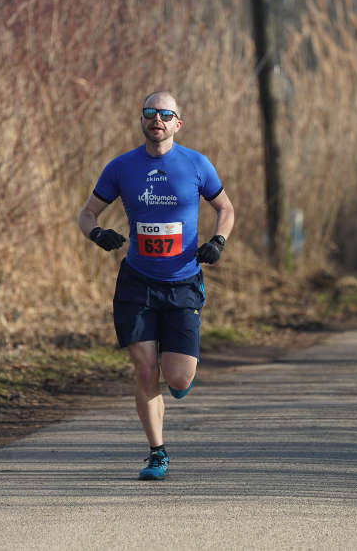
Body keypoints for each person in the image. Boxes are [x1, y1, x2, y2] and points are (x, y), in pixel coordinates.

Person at [78, 91, 235, 479]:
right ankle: (157, 453)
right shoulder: (121, 167)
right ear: (142, 120)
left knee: (178, 377)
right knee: (145, 371)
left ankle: (177, 376)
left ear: (177, 123)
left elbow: (225, 208)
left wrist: (218, 242)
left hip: (183, 282)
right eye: (150, 112)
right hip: (137, 283)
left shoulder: (196, 165)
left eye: (166, 114)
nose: (157, 119)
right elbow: (87, 212)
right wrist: (98, 233)